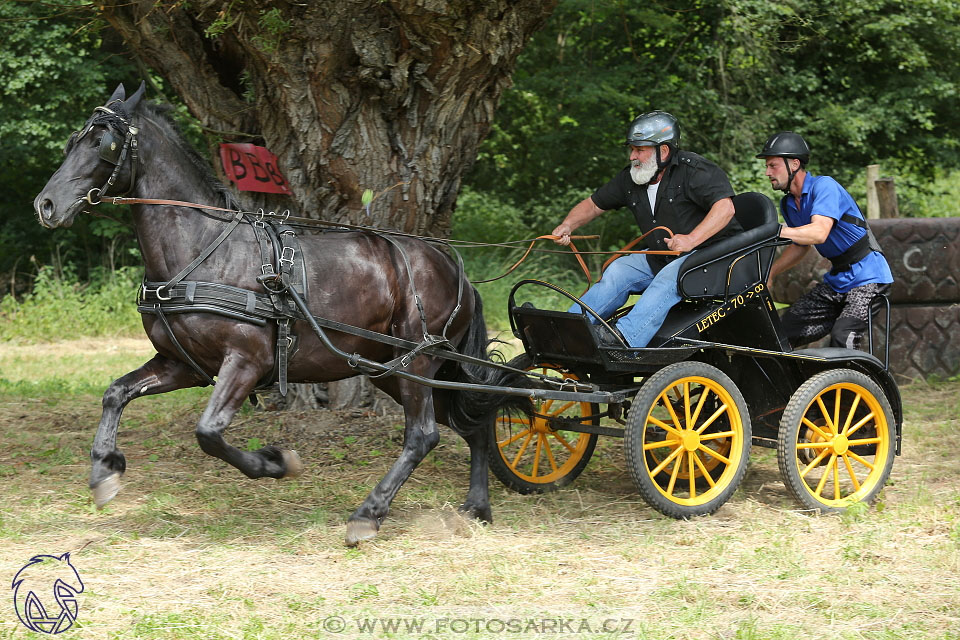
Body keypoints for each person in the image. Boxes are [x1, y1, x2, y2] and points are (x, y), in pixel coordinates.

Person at [551, 110, 740, 348]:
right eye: (632, 148)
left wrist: (691, 240)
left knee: (669, 278)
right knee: (619, 269)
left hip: (712, 259)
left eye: (640, 149)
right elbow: (592, 205)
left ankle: (624, 340)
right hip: (664, 257)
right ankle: (568, 327)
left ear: (664, 150)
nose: (632, 156)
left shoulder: (695, 170)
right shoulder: (632, 179)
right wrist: (568, 225)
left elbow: (725, 209)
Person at [757, 131, 893, 350]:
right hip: (837, 281)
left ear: (794, 164)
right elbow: (801, 245)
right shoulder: (789, 204)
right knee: (782, 333)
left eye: (773, 166)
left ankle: (852, 384)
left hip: (869, 277)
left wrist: (774, 230)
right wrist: (771, 272)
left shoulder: (824, 186)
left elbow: (818, 233)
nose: (767, 172)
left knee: (843, 337)